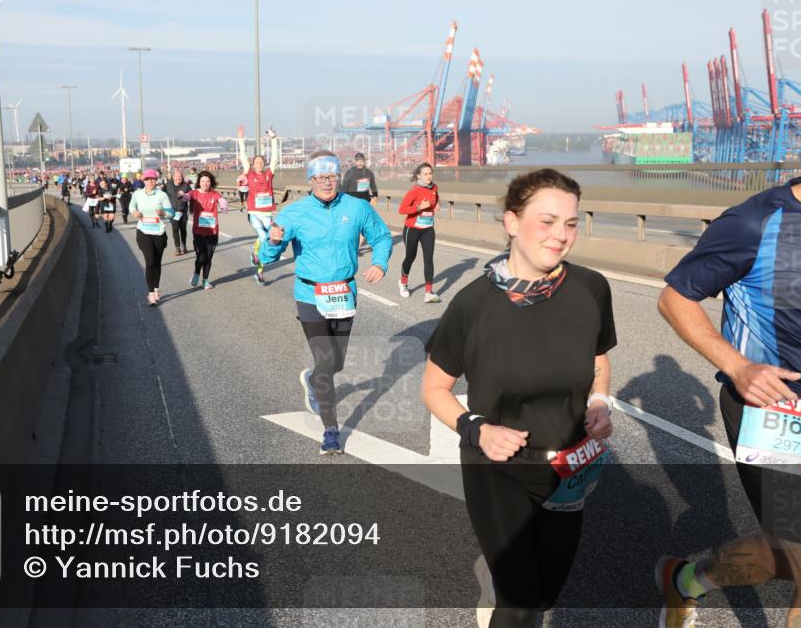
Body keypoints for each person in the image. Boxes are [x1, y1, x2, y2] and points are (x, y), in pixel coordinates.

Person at [653, 92, 801, 628]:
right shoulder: (758, 220)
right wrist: (738, 367)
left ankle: (687, 580)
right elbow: (676, 297)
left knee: (792, 556)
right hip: (782, 412)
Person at [421, 168, 615, 628]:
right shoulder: (472, 305)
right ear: (511, 223)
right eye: (547, 221)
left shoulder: (591, 288)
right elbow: (434, 388)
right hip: (498, 468)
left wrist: (600, 401)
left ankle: (494, 573)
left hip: (568, 465)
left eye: (570, 223)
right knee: (521, 605)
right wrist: (478, 430)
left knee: (546, 593)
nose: (562, 235)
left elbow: (598, 358)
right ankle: (504, 583)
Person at [259, 150, 393, 455]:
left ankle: (312, 379)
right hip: (309, 295)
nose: (326, 183)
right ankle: (331, 431)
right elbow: (267, 258)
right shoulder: (294, 213)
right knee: (325, 360)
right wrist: (274, 242)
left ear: (338, 177)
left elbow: (382, 237)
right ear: (310, 180)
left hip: (344, 294)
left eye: (331, 176)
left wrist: (380, 263)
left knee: (336, 362)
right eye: (319, 177)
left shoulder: (357, 208)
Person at [129, 168, 174, 306]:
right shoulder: (137, 194)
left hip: (159, 233)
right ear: (143, 181)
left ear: (156, 180)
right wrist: (135, 213)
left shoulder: (162, 195)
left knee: (157, 262)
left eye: (152, 179)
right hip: (143, 232)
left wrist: (163, 213)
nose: (150, 182)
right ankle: (150, 294)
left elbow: (171, 212)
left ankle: (155, 288)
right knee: (150, 262)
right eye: (147, 179)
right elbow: (132, 207)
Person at [398, 162, 442, 303]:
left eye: (430, 173)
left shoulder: (434, 187)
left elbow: (436, 198)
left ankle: (428, 292)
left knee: (428, 259)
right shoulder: (414, 190)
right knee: (410, 256)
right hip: (412, 229)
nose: (428, 176)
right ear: (419, 175)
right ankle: (403, 282)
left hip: (428, 228)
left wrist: (437, 205)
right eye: (425, 174)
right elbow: (402, 209)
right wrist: (419, 207)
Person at [182, 171, 228, 290]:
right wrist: (184, 195)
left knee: (209, 257)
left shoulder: (214, 194)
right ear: (199, 182)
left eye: (207, 181)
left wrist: (224, 204)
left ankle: (205, 280)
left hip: (212, 232)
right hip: (198, 232)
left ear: (211, 182)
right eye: (203, 181)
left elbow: (221, 199)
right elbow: (188, 196)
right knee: (201, 256)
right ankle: (197, 272)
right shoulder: (195, 193)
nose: (205, 183)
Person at [245, 155, 276, 284]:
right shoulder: (250, 174)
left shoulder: (269, 173)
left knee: (265, 239)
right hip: (253, 213)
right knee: (263, 236)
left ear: (264, 164)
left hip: (267, 213)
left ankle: (259, 271)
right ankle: (256, 256)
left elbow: (274, 159)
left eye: (261, 161)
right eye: (256, 162)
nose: (259, 163)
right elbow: (242, 157)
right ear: (253, 164)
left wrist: (274, 140)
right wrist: (240, 140)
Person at [341, 152, 379, 254]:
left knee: (364, 223)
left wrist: (375, 196)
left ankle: (357, 247)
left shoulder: (369, 173)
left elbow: (373, 185)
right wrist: (342, 199)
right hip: (351, 201)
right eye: (358, 161)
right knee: (352, 224)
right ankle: (349, 244)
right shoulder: (350, 172)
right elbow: (344, 187)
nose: (360, 162)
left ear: (364, 161)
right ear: (355, 161)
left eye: (362, 160)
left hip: (365, 200)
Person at [165, 167, 193, 255]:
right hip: (172, 212)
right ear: (173, 177)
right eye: (176, 177)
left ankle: (183, 245)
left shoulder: (186, 186)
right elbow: (161, 195)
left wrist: (186, 197)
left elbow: (192, 196)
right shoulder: (168, 185)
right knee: (175, 229)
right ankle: (177, 247)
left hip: (183, 212)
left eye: (180, 177)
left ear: (182, 178)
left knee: (183, 229)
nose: (178, 179)